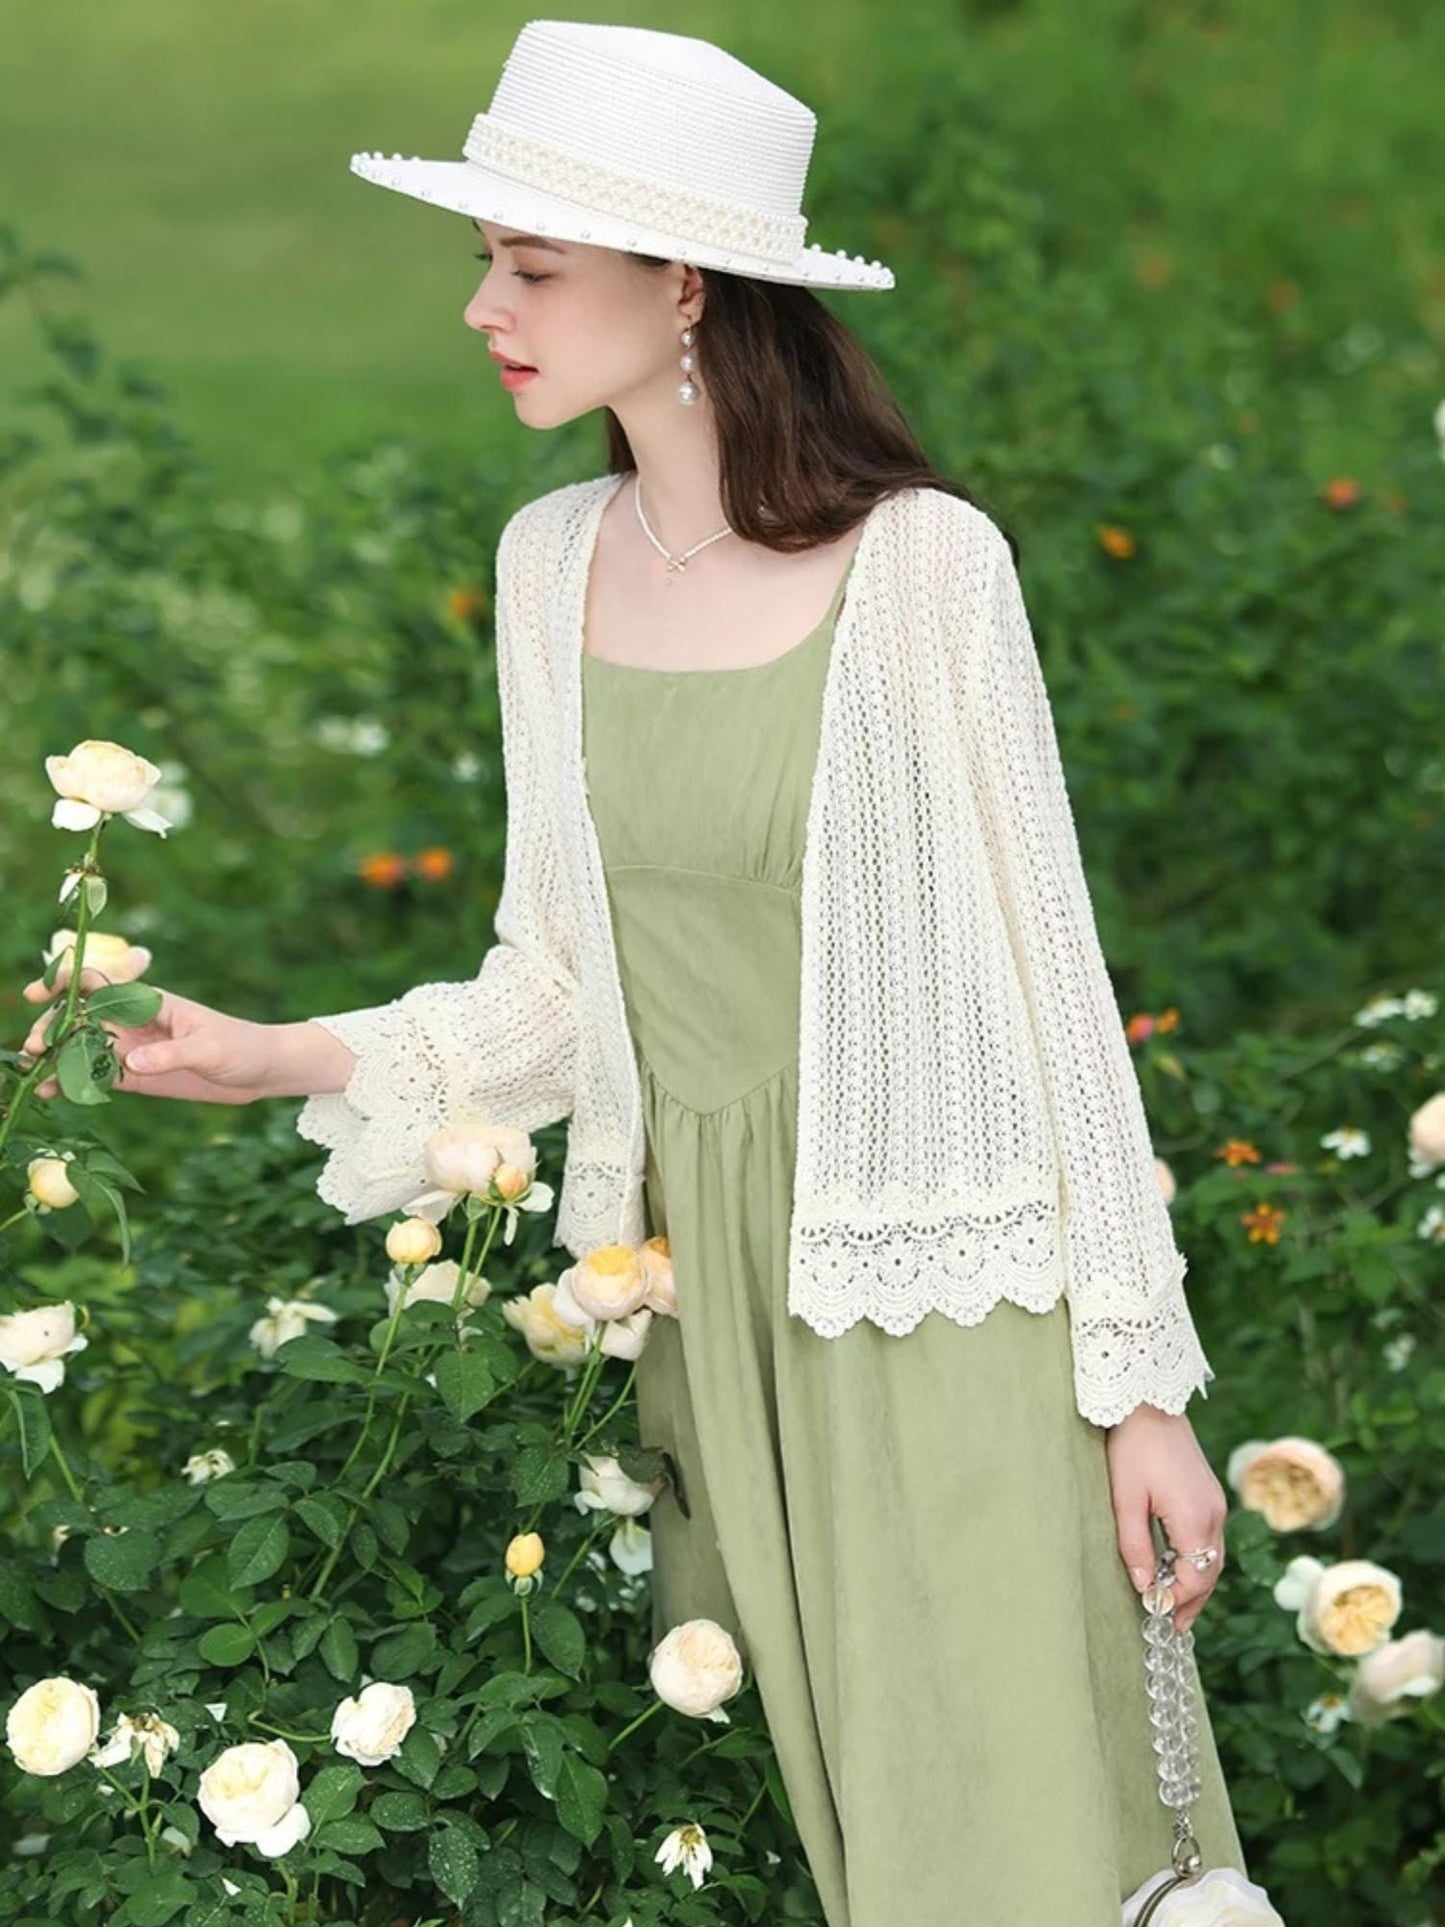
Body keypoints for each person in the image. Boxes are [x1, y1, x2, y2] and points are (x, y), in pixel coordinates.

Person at [20, 23, 1251, 1925]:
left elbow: (1052, 999)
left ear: (683, 286)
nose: (480, 309)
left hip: (935, 1295)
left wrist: (1141, 1388)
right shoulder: (550, 566)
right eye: (486, 264)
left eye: (530, 268)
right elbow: (564, 989)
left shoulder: (926, 569)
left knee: (1007, 1849)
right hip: (694, 1315)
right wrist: (272, 1053)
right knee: (821, 1856)